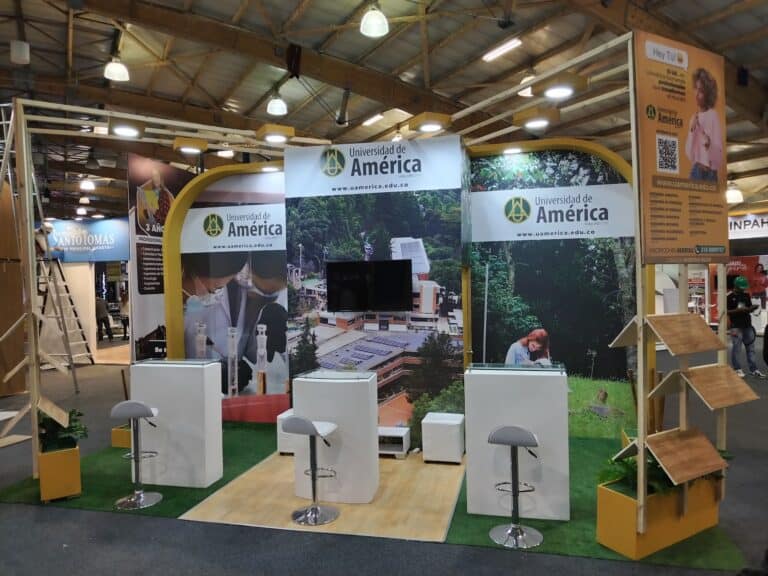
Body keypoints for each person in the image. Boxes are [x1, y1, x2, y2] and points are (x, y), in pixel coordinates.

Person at [685, 68, 723, 182]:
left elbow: (718, 157)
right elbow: (689, 155)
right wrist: (692, 131)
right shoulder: (694, 118)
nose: (696, 94)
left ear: (708, 93)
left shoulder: (713, 116)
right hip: (696, 172)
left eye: (700, 91)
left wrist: (709, 144)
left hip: (711, 174)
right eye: (695, 88)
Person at [727, 275, 764, 378]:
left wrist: (752, 308)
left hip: (747, 325)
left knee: (751, 348)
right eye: (741, 287)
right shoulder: (729, 297)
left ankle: (754, 369)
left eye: (744, 287)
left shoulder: (746, 295)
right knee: (737, 349)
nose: (743, 289)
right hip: (736, 326)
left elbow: (747, 308)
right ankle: (737, 369)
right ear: (736, 286)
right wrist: (737, 311)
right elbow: (726, 311)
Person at [136, 168, 174, 235]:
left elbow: (165, 217)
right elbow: (147, 217)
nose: (155, 179)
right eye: (153, 176)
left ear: (160, 178)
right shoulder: (151, 193)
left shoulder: (164, 194)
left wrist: (152, 210)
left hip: (161, 231)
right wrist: (146, 208)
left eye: (156, 176)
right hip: (153, 228)